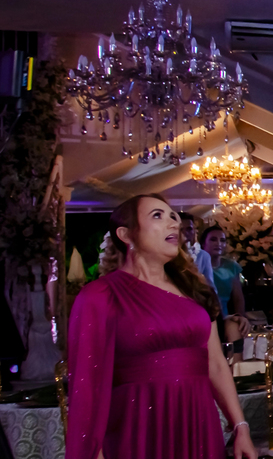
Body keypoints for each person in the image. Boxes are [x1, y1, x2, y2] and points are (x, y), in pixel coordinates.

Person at [66, 194, 256, 459]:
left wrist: (240, 426)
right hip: (136, 425)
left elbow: (215, 363)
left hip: (198, 420)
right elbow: (87, 385)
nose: (173, 223)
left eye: (173, 216)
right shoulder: (100, 296)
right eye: (158, 215)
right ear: (126, 234)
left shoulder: (195, 290)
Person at [201, 226, 249, 349]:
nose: (219, 244)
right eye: (213, 239)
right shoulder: (196, 265)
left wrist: (241, 317)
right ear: (203, 243)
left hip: (225, 317)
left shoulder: (231, 266)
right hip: (203, 316)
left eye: (222, 240)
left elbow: (238, 298)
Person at [179, 212, 216, 291]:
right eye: (181, 229)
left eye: (189, 229)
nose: (185, 232)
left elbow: (210, 284)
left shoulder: (203, 256)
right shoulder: (169, 254)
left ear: (194, 231)